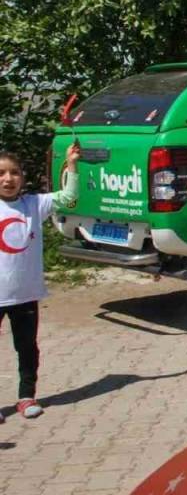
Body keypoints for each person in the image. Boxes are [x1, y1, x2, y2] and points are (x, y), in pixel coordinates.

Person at [0, 143, 79, 421]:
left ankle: (26, 396)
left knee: (27, 346)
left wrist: (71, 165)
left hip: (25, 294)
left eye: (14, 173)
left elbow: (69, 197)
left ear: (22, 176)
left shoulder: (34, 204)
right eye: (1, 173)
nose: (8, 179)